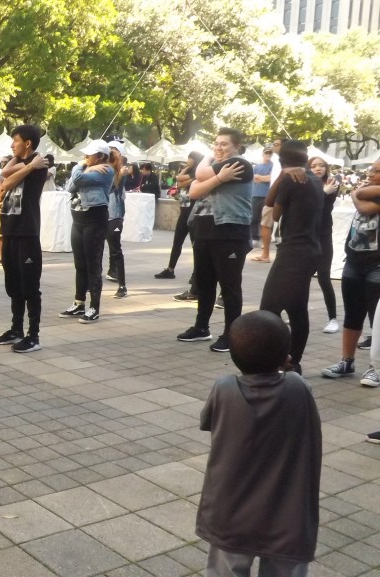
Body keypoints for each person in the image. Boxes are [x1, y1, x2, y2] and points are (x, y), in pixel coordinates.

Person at [196, 310, 321, 577]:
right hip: (289, 516)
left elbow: (207, 422)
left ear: (233, 354)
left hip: (230, 513)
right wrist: (287, 368)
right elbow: (297, 383)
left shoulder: (224, 388)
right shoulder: (297, 389)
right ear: (285, 356)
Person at [176, 127, 254, 353]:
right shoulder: (219, 168)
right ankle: (202, 327)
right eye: (216, 144)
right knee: (205, 282)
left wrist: (211, 167)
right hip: (204, 229)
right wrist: (218, 178)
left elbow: (199, 177)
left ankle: (232, 335)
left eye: (224, 144)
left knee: (230, 286)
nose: (219, 148)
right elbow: (193, 191)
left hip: (230, 231)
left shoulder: (240, 164)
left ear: (236, 147)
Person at [258, 140, 324, 376]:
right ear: (305, 158)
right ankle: (293, 362)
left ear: (282, 161)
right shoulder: (315, 179)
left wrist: (283, 176)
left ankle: (276, 360)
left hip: (293, 251)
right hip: (310, 251)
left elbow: (272, 210)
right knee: (297, 307)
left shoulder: (291, 179)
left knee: (268, 309)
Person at [321, 158, 380, 381]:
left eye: (377, 171)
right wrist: (360, 191)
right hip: (355, 262)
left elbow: (364, 206)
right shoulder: (368, 189)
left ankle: (377, 367)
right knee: (353, 314)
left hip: (377, 265)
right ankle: (347, 361)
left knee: (378, 319)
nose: (371, 173)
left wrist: (356, 193)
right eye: (371, 169)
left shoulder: (366, 193)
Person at [0, 125, 49, 352]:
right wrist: (22, 162)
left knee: (30, 287)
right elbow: (5, 175)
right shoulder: (24, 162)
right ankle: (16, 329)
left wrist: (31, 165)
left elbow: (5, 183)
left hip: (27, 232)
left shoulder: (41, 163)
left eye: (15, 140)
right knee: (13, 284)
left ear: (27, 143)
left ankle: (33, 336)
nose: (11, 144)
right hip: (10, 231)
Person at [60, 139, 114, 324]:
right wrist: (86, 167)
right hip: (78, 221)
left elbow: (77, 180)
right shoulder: (88, 168)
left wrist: (81, 166)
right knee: (80, 264)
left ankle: (94, 307)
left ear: (100, 156)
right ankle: (79, 302)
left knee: (93, 265)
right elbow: (70, 187)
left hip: (95, 221)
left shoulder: (107, 170)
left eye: (89, 155)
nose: (85, 157)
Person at [157, 152, 204, 296]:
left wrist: (185, 179)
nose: (188, 160)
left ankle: (196, 273)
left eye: (190, 158)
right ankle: (170, 269)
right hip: (183, 211)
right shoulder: (191, 172)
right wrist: (184, 172)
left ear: (196, 160)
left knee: (195, 245)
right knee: (177, 241)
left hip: (193, 212)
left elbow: (180, 180)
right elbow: (179, 181)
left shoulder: (199, 172)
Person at [309, 156, 340, 334]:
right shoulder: (305, 183)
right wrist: (322, 192)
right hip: (306, 235)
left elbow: (321, 206)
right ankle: (296, 312)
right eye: (313, 166)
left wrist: (324, 192)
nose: (317, 168)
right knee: (302, 278)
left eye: (321, 165)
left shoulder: (332, 182)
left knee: (324, 277)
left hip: (323, 235)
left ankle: (333, 318)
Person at [255, 137, 288, 263]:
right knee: (266, 224)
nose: (273, 147)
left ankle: (267, 255)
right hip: (273, 196)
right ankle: (265, 254)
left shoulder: (285, 161)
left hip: (278, 196)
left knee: (269, 224)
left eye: (276, 144)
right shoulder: (277, 160)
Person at [105, 142, 127, 298]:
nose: (111, 154)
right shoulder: (102, 169)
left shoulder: (122, 171)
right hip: (100, 214)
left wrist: (119, 173)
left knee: (116, 250)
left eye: (115, 152)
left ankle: (122, 285)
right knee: (95, 250)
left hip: (114, 214)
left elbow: (114, 188)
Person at [249, 148, 273, 248]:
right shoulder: (256, 166)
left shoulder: (273, 166)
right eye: (266, 153)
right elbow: (252, 178)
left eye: (270, 153)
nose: (268, 154)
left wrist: (259, 177)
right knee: (254, 217)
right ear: (262, 154)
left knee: (266, 219)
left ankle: (266, 240)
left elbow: (270, 178)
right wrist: (263, 177)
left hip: (268, 195)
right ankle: (255, 238)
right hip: (255, 195)